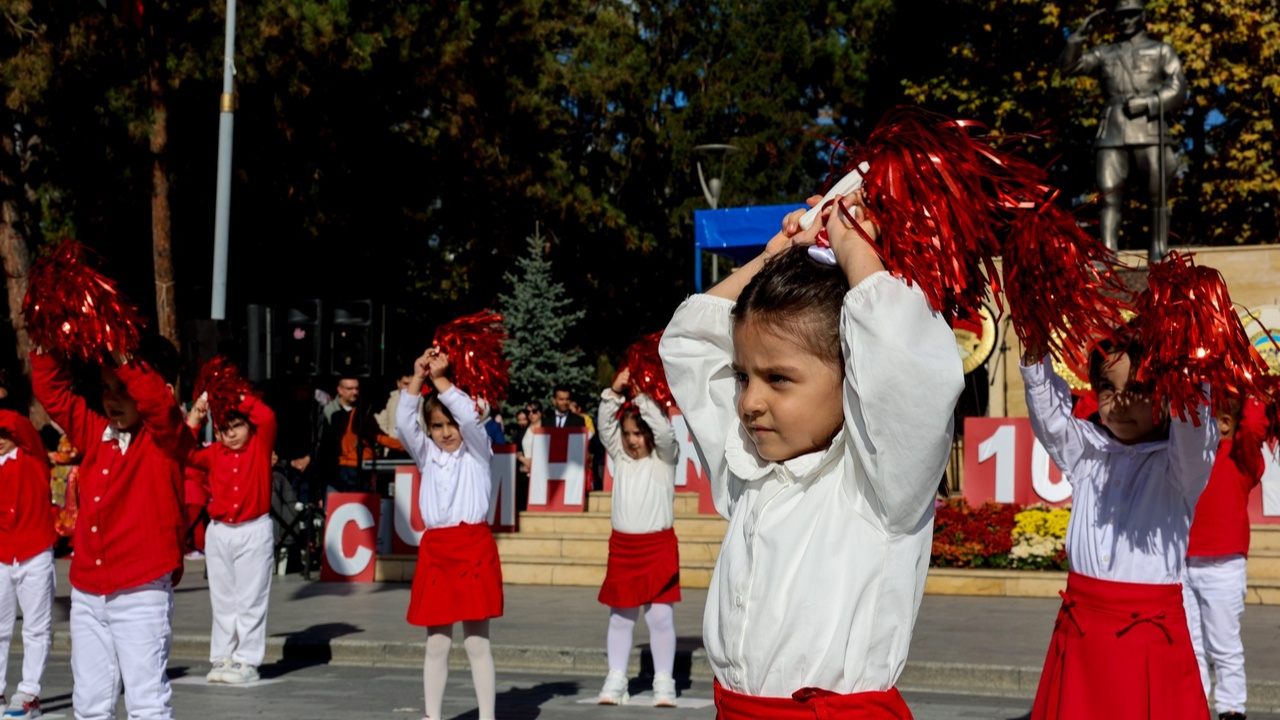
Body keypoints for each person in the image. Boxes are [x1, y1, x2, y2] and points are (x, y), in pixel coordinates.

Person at [659, 196, 963, 717]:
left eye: (778, 379)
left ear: (853, 375)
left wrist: (849, 241)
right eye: (742, 377)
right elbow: (688, 343)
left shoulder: (881, 483)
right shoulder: (745, 468)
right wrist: (774, 258)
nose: (750, 402)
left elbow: (900, 359)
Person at [1021, 328, 1216, 719]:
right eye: (1107, 388)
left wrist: (1188, 370)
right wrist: (1035, 350)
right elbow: (1051, 421)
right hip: (1081, 635)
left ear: (1168, 393)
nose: (1121, 402)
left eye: (1139, 387)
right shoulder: (1088, 454)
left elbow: (1195, 433)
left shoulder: (1179, 469)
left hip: (1148, 639)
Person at [31, 337, 189, 720]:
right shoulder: (95, 432)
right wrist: (47, 343)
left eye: (124, 388)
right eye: (106, 387)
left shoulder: (166, 439)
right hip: (88, 592)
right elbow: (52, 393)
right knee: (89, 703)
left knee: (146, 702)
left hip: (141, 591)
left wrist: (126, 357)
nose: (112, 398)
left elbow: (158, 406)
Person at [397, 347, 503, 720]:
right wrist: (419, 376)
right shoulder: (427, 454)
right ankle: (432, 716)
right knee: (436, 643)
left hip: (472, 547)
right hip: (437, 552)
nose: (445, 433)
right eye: (437, 426)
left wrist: (442, 381)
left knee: (477, 642)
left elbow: (470, 422)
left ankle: (487, 717)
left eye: (450, 424)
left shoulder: (477, 449)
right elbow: (403, 425)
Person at [1058, 0, 1187, 262]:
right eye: (1121, 16)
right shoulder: (1105, 53)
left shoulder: (1161, 50)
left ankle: (1158, 252)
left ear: (1142, 16)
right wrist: (1077, 37)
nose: (1126, 21)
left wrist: (1149, 102)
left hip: (1151, 128)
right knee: (1108, 194)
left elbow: (1178, 87)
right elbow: (1068, 68)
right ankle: (1107, 253)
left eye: (1132, 15)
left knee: (1156, 193)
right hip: (1113, 129)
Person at [594, 369, 680, 707]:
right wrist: (614, 392)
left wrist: (644, 393)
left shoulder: (665, 459)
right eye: (627, 434)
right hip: (624, 549)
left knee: (660, 617)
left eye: (638, 434)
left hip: (657, 547)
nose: (632, 440)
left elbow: (665, 432)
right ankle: (616, 678)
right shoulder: (619, 459)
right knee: (620, 616)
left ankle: (664, 681)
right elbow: (605, 427)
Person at [185, 390, 278, 685]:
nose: (231, 434)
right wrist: (195, 418)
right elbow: (184, 452)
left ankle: (247, 659)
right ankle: (222, 656)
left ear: (249, 426)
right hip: (220, 531)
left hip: (253, 529)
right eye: (224, 429)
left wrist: (231, 394)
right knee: (223, 600)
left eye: (237, 426)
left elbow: (268, 417)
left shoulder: (260, 446)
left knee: (251, 599)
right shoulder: (214, 453)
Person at [1182, 397, 1265, 720]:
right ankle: (1196, 707)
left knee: (1224, 647)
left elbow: (1254, 428)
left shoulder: (1243, 457)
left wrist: (1257, 388)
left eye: (1209, 418)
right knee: (1193, 650)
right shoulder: (1191, 460)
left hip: (1224, 567)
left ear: (1228, 423)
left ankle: (1232, 710)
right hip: (1185, 565)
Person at [0, 410, 57, 719]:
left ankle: (29, 693)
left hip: (35, 553)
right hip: (1, 556)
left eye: (2, 434)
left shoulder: (32, 453)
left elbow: (19, 424)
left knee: (36, 628)